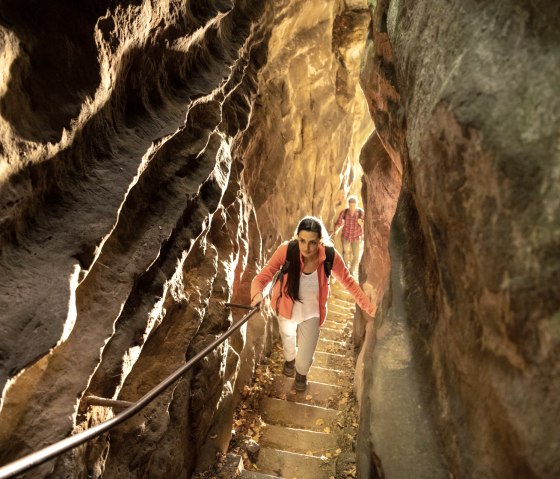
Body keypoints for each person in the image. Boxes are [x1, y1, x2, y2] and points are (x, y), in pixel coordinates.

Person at [250, 216, 374, 392]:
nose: (306, 248)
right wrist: (256, 295)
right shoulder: (287, 250)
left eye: (312, 243)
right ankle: (289, 360)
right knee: (288, 341)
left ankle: (301, 373)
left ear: (320, 241)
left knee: (305, 359)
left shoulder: (330, 256)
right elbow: (263, 277)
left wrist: (369, 307)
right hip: (286, 307)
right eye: (302, 241)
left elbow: (349, 282)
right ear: (297, 237)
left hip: (312, 312)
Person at [334, 195, 364, 275]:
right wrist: (336, 229)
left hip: (356, 237)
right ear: (348, 204)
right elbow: (339, 223)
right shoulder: (345, 212)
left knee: (356, 256)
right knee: (345, 253)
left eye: (353, 205)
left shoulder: (361, 213)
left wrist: (361, 224)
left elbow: (365, 225)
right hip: (346, 236)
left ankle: (352, 270)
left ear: (356, 204)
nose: (352, 207)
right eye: (350, 205)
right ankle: (346, 271)